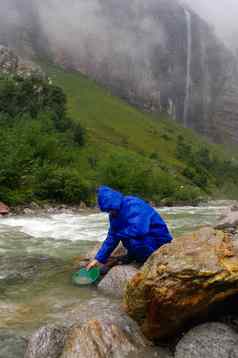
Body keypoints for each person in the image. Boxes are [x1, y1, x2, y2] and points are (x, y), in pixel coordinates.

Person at [87, 186, 173, 270]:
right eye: (109, 210)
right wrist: (97, 259)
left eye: (112, 209)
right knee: (125, 236)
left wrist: (118, 234)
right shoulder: (113, 214)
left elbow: (140, 231)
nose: (111, 212)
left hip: (158, 239)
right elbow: (112, 237)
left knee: (132, 239)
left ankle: (145, 259)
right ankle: (136, 256)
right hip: (146, 239)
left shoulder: (134, 205)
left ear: (116, 202)